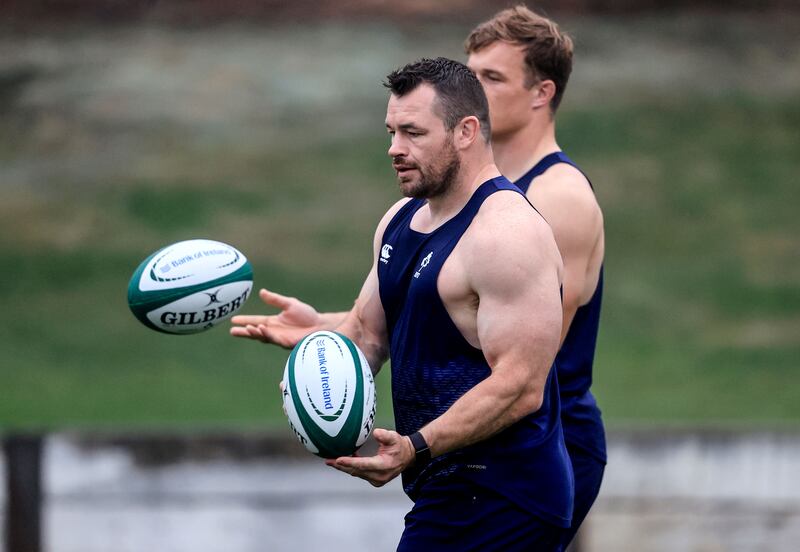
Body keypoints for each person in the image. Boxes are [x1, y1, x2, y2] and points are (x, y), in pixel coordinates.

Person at [232, 6, 606, 548]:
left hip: (507, 491)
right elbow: (369, 332)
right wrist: (321, 341)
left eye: (412, 132)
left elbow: (523, 384)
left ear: (465, 132)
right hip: (448, 484)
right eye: (391, 131)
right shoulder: (399, 220)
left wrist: (416, 446)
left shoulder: (512, 231)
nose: (394, 149)